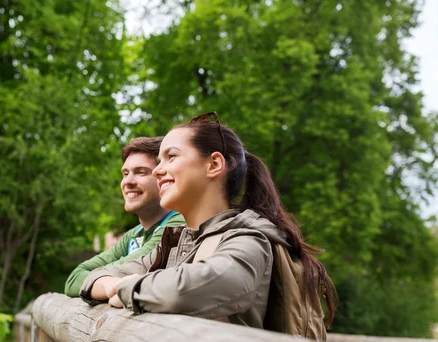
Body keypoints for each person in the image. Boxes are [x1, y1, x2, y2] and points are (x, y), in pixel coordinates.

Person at [79, 112, 337, 329]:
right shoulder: (175, 244)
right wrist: (118, 285)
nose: (158, 170)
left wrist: (127, 289)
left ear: (213, 164)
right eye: (159, 161)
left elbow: (209, 284)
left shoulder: (248, 238)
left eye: (171, 157)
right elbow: (92, 278)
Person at [64, 136, 186, 297]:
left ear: (163, 176)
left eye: (140, 172)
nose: (128, 182)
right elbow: (73, 280)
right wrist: (110, 284)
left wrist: (96, 282)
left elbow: (133, 269)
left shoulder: (179, 222)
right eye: (125, 173)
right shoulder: (133, 235)